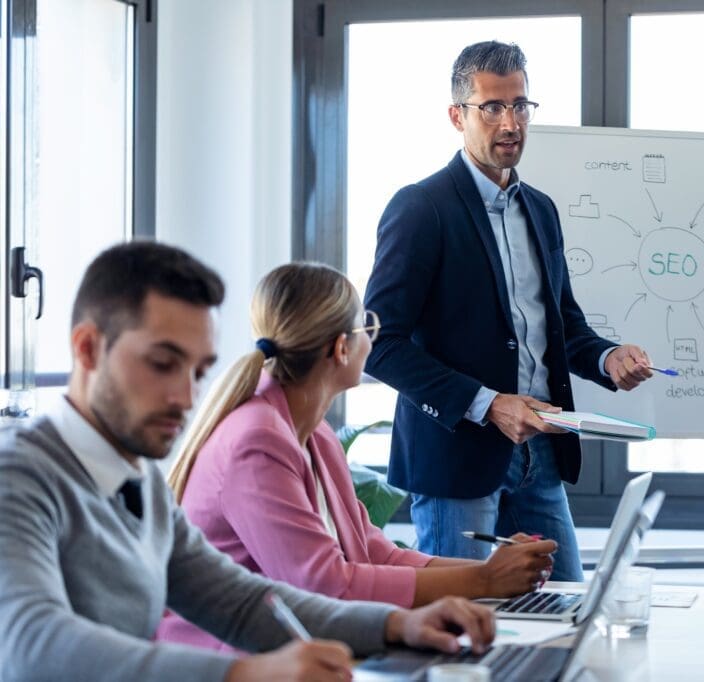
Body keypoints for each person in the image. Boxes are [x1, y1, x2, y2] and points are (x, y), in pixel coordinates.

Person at [0, 242, 495, 682]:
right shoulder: (18, 476)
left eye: (198, 372)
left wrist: (397, 624)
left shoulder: (138, 479)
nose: (185, 397)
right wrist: (242, 673)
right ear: (87, 349)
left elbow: (239, 602)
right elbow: (31, 641)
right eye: (162, 364)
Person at [362, 40, 654, 582]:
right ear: (458, 116)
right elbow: (378, 343)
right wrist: (489, 403)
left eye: (520, 105)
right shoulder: (422, 208)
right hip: (456, 461)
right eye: (492, 107)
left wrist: (608, 358)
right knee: (465, 618)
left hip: (540, 454)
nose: (510, 122)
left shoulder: (540, 209)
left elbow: (563, 327)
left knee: (566, 606)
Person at [158, 262, 556, 651]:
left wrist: (493, 569)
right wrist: (485, 581)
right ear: (341, 348)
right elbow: (325, 587)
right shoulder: (257, 441)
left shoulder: (313, 433)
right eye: (368, 327)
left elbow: (374, 553)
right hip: (231, 661)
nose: (373, 340)